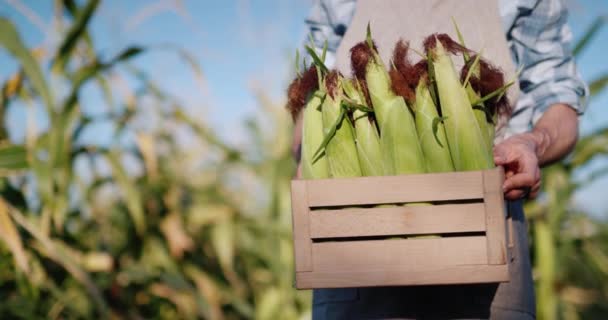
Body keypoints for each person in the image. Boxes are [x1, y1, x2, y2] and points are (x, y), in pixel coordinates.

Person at [292, 0, 588, 319]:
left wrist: (532, 142)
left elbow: (558, 99)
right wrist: (308, 151)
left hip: (486, 227)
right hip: (350, 241)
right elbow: (310, 93)